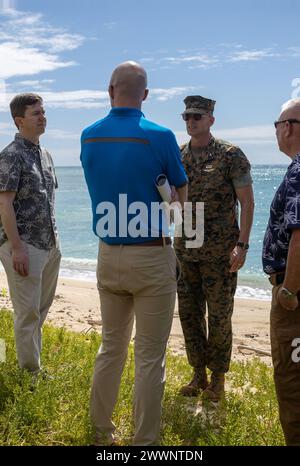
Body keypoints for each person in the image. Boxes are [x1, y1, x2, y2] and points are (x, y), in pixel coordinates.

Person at [80, 61, 188, 446]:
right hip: (151, 256)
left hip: (108, 254)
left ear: (110, 91)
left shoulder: (88, 136)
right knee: (149, 357)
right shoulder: (160, 136)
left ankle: (100, 434)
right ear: (145, 95)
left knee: (111, 347)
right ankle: (144, 443)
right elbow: (179, 207)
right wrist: (172, 204)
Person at [175, 95, 254, 401]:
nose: (191, 121)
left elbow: (247, 202)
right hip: (185, 250)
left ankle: (218, 379)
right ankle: (198, 374)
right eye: (187, 117)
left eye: (197, 116)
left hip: (221, 253)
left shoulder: (230, 155)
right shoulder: (179, 155)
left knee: (220, 316)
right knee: (190, 315)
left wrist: (242, 245)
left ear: (210, 119)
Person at [0, 93, 61, 376]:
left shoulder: (45, 154)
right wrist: (17, 248)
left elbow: (48, 200)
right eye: (36, 113)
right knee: (27, 312)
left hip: (49, 244)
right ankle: (30, 375)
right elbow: (4, 203)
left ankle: (33, 364)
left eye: (44, 111)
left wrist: (55, 243)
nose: (43, 117)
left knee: (41, 307)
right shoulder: (11, 155)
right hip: (24, 245)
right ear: (19, 120)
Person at [262, 98, 300, 446]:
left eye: (277, 124)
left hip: (295, 298)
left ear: (287, 127)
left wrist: (288, 289)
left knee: (292, 384)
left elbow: (299, 231)